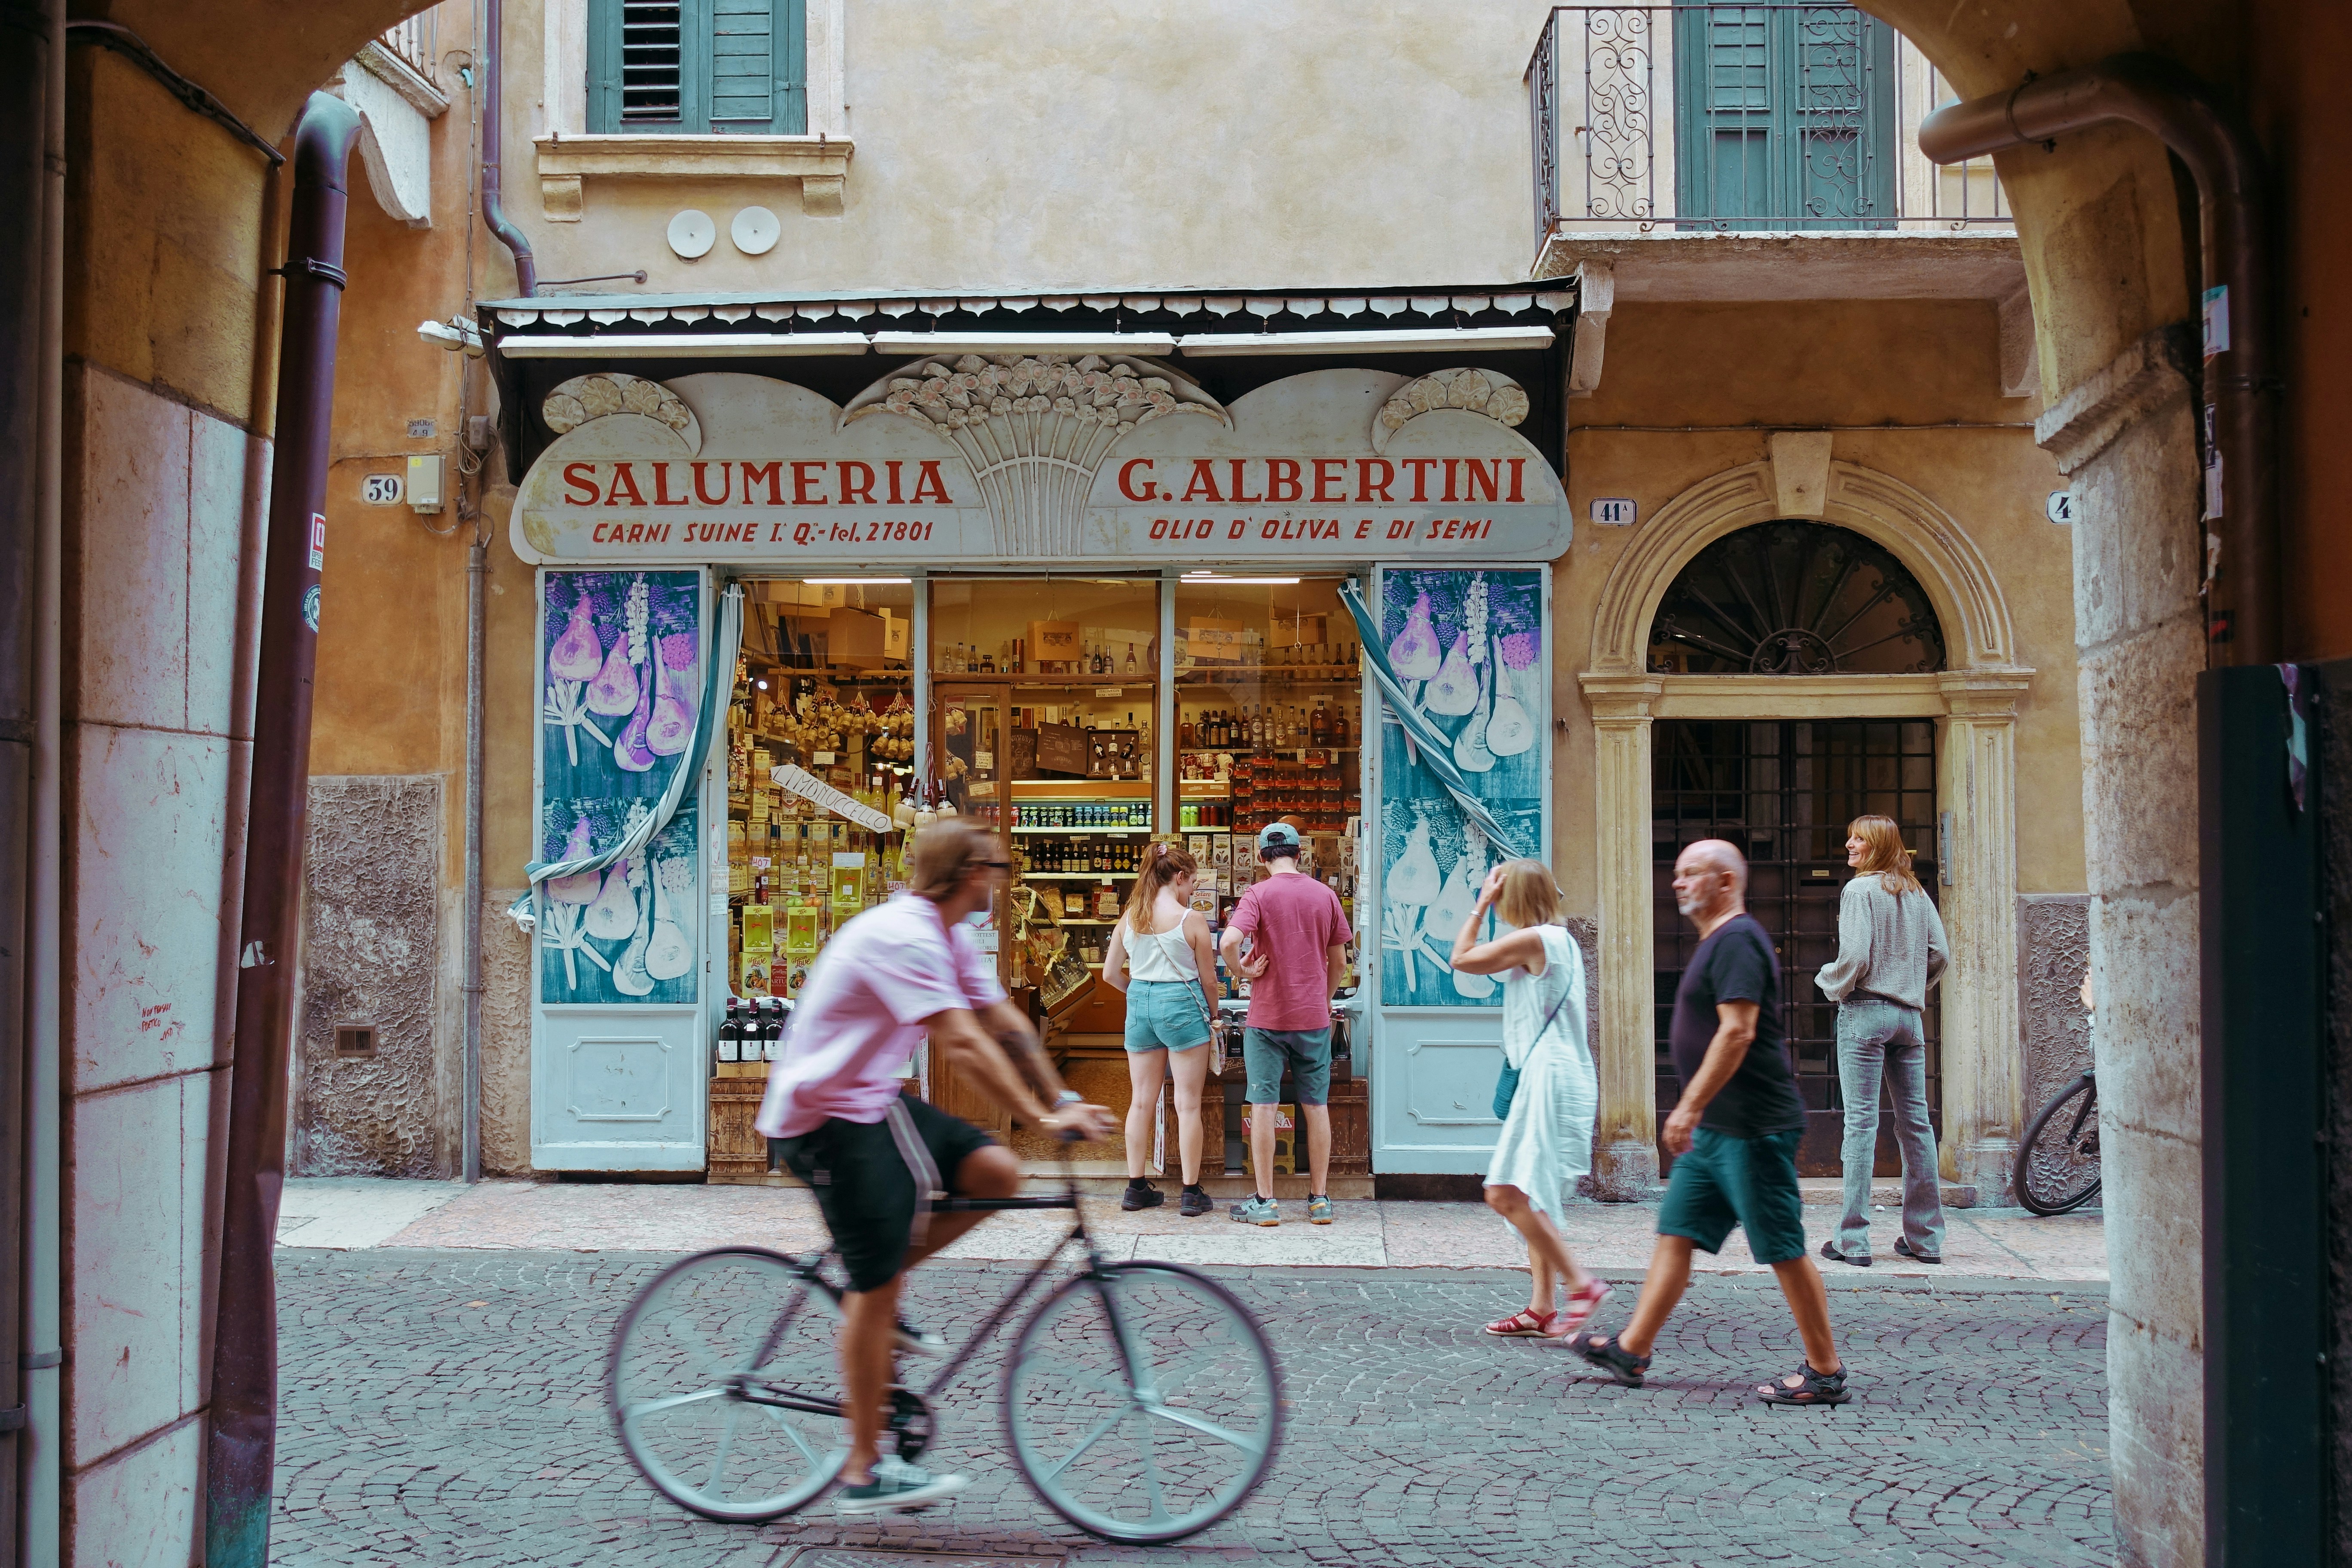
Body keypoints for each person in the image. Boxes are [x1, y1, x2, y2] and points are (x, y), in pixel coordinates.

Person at [753, 818, 1116, 1513]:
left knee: (995, 1173)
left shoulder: (951, 936)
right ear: (970, 874)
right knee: (877, 1281)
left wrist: (1062, 1098)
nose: (1002, 880)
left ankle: (878, 1293)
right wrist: (1042, 1119)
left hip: (871, 1102)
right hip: (824, 1117)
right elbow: (964, 1045)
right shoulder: (906, 935)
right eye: (996, 868)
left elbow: (1004, 1022)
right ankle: (865, 1468)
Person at [1568, 839, 1850, 1406]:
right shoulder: (1718, 941)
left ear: (1726, 882)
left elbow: (1738, 1031)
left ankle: (1825, 1371)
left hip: (1753, 1128)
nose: (1678, 882)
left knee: (1781, 1245)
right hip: (1717, 1132)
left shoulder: (1738, 939)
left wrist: (1690, 1104)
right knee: (1677, 1231)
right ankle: (1632, 1349)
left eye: (1692, 873)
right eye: (1677, 873)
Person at [1447, 858, 1610, 1338]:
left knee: (1505, 1192)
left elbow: (1462, 958)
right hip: (1560, 1074)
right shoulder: (1560, 940)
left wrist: (1479, 906)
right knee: (1534, 1194)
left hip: (1549, 1079)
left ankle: (1582, 1286)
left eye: (1501, 897)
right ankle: (1542, 1308)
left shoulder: (1536, 940)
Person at [1815, 814, 1951, 1269]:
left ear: (1879, 847)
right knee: (1917, 1125)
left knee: (1861, 1124)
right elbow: (1941, 954)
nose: (1849, 845)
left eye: (1859, 839)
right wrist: (1910, 985)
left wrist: (1830, 982)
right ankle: (1926, 1240)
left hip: (1866, 1012)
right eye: (1850, 837)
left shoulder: (1859, 891)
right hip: (1909, 1018)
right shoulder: (1916, 892)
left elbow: (1854, 956)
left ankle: (1853, 1241)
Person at [1219, 821, 1353, 1226]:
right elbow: (1340, 961)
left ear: (1262, 858)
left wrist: (1242, 972)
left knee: (1264, 1105)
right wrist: (1322, 1000)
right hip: (1313, 1018)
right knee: (1316, 1106)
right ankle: (1320, 1200)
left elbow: (1228, 942)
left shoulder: (1258, 894)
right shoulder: (1325, 895)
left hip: (1268, 1018)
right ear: (1300, 854)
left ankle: (1266, 1201)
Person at [1100, 842, 1220, 1217]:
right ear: (1179, 878)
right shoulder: (1191, 920)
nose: (1193, 890)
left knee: (1140, 1101)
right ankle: (1190, 1193)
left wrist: (1140, 994)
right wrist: (1214, 1015)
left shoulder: (1130, 917)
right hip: (1182, 1006)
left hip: (1140, 1004)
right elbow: (1209, 980)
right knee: (1188, 1104)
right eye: (1193, 883)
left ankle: (1136, 1188)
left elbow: (1109, 974)